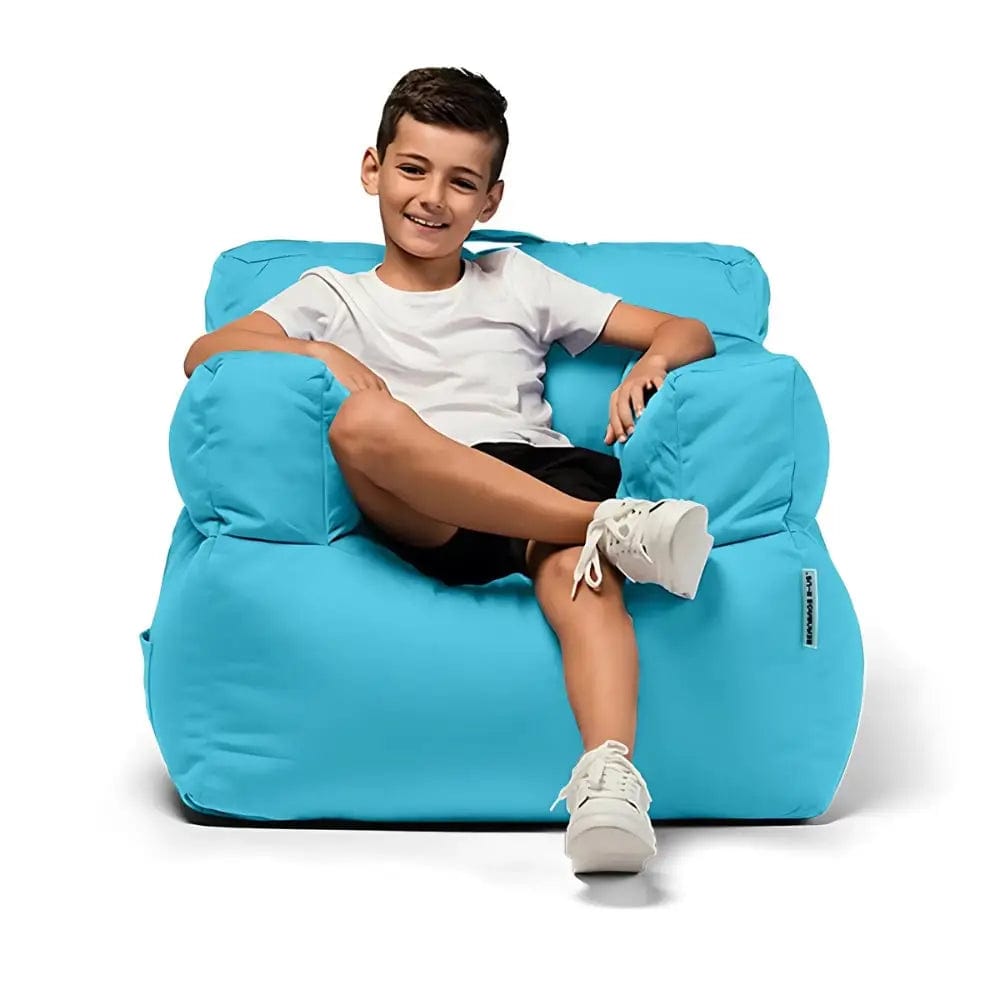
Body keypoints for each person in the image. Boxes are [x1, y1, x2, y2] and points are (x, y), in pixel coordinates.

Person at [183, 66, 716, 876]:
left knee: (580, 575)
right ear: (372, 169)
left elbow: (687, 329)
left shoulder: (517, 278)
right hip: (432, 499)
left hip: (540, 479)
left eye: (462, 182)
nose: (433, 198)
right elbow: (205, 353)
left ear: (491, 200)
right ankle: (616, 529)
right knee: (362, 422)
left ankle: (610, 782)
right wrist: (317, 348)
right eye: (413, 169)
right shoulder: (332, 296)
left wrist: (653, 361)